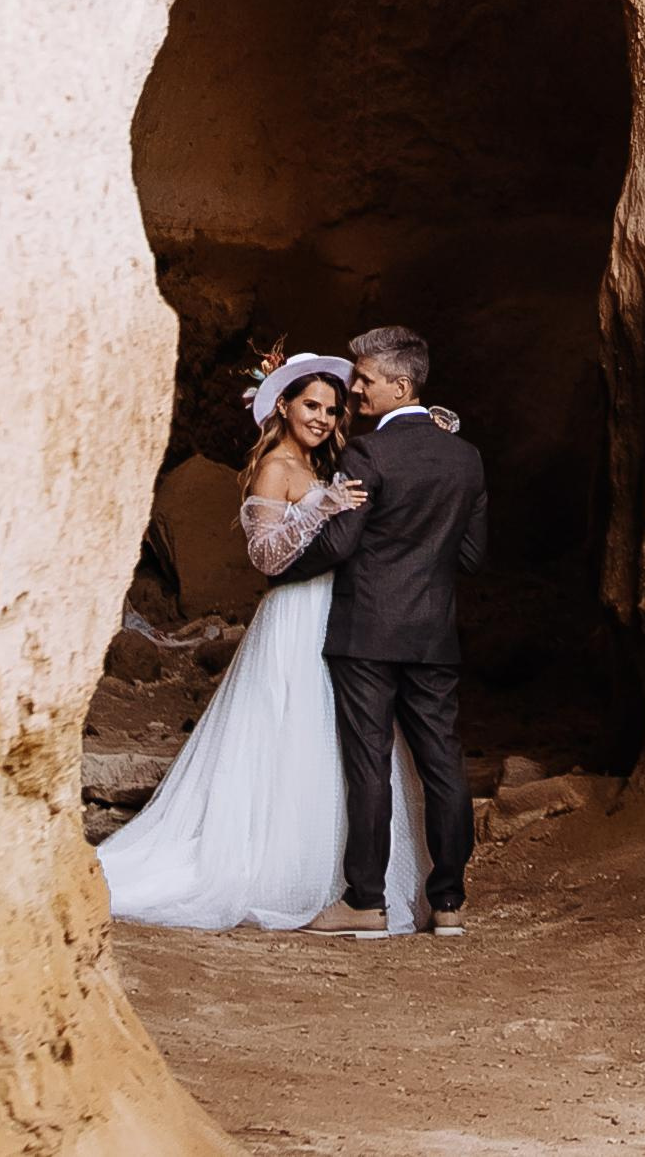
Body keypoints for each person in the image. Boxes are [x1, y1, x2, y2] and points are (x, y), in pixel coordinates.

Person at [96, 352, 433, 931]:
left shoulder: (319, 463)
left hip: (335, 610)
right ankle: (281, 870)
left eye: (331, 409)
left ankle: (343, 874)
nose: (323, 418)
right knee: (291, 728)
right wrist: (321, 508)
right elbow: (265, 556)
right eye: (311, 406)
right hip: (295, 613)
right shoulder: (275, 467)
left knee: (340, 737)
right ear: (283, 405)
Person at [274, 323, 488, 940]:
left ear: (400, 386)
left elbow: (340, 544)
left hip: (366, 630)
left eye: (365, 380)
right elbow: (472, 556)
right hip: (433, 633)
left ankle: (366, 902)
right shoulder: (467, 458)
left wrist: (280, 567)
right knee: (443, 764)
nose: (355, 390)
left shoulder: (368, 454)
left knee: (369, 765)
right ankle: (449, 902)